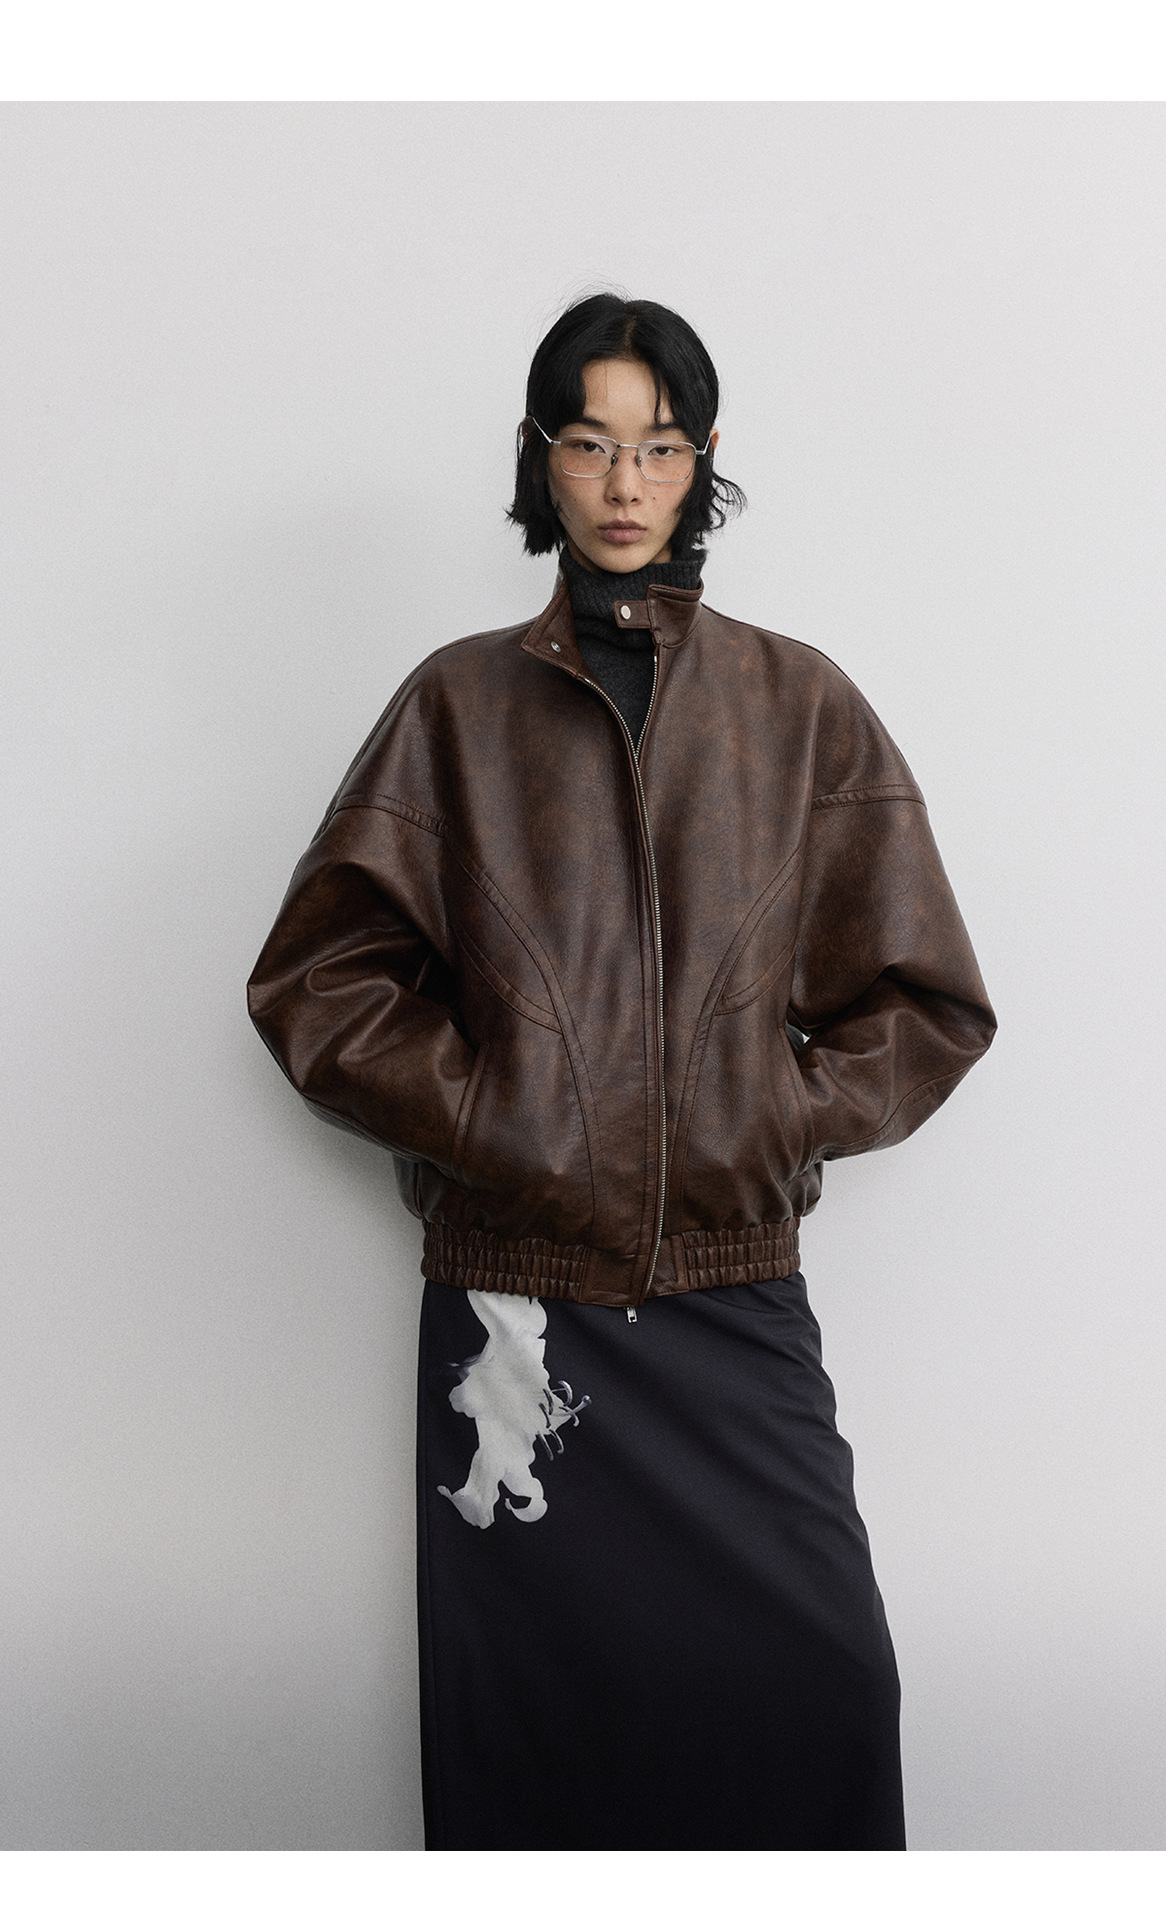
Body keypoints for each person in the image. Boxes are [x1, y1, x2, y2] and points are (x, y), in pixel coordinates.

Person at [247, 294, 996, 1850]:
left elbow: (923, 1000)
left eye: (657, 447)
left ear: (702, 459)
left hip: (729, 1284)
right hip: (517, 1304)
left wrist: (771, 1113)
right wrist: (497, 1118)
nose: (622, 482)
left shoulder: (796, 706)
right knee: (536, 1735)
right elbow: (317, 982)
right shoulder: (454, 706)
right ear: (541, 458)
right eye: (588, 444)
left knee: (823, 1691)